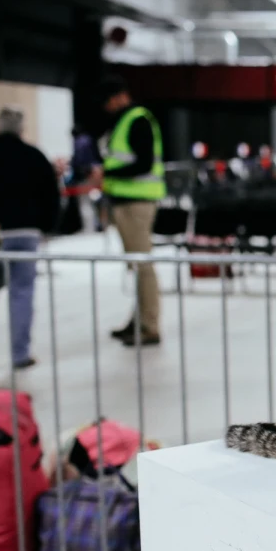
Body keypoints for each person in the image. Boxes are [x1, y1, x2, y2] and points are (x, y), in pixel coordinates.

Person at [0, 106, 60, 371]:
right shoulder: (35, 156)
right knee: (22, 294)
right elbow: (51, 196)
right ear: (21, 129)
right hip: (26, 231)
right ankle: (20, 354)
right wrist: (46, 227)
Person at [96, 75, 164, 347]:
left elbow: (143, 164)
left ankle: (149, 324)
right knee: (137, 265)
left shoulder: (137, 119)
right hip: (124, 202)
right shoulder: (125, 121)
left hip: (137, 203)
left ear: (120, 96)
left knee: (143, 264)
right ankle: (138, 320)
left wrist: (107, 172)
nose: (108, 107)